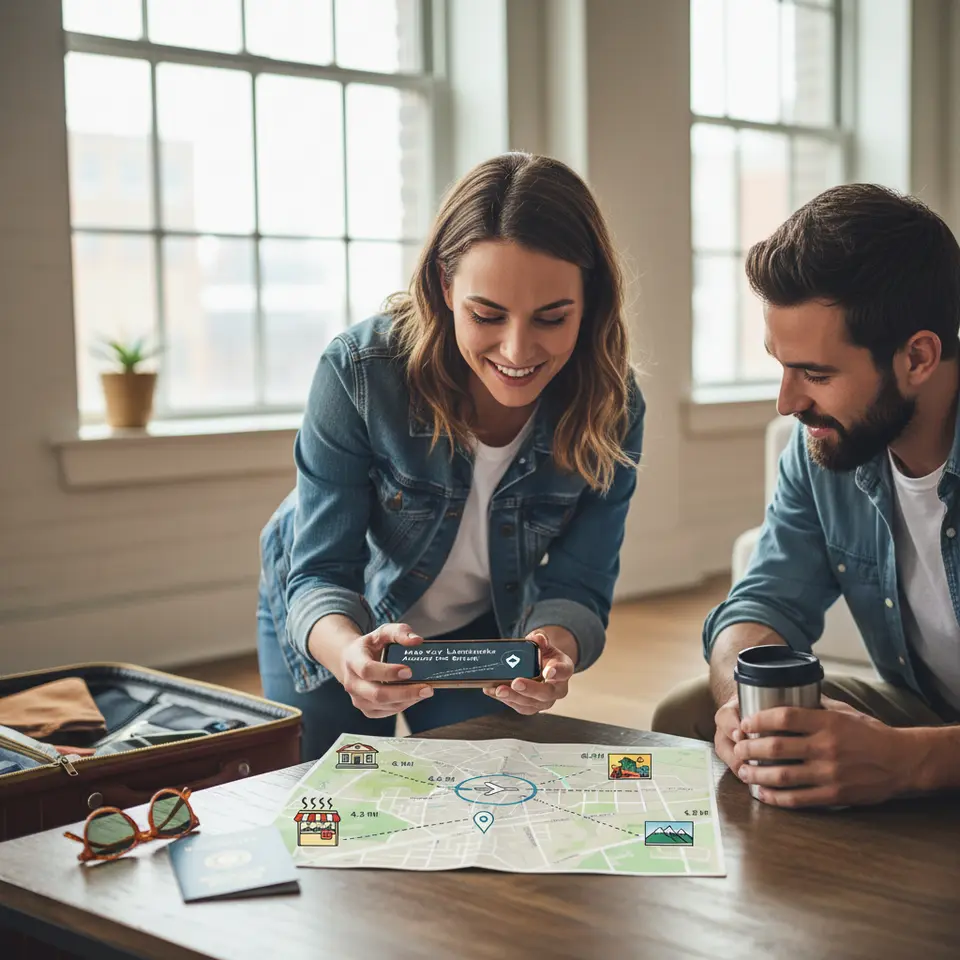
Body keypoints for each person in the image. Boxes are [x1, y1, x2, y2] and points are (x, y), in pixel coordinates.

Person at [258, 153, 645, 760]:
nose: (518, 350)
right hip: (338, 620)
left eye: (552, 317)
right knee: (332, 803)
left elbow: (580, 582)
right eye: (486, 314)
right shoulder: (358, 373)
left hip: (479, 631)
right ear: (445, 286)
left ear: (589, 300)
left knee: (491, 791)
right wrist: (348, 658)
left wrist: (552, 646)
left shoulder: (612, 405)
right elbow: (319, 572)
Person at [652, 183, 960, 808]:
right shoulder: (825, 451)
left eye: (817, 374)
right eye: (781, 365)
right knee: (688, 713)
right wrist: (743, 700)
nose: (787, 402)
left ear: (919, 357)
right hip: (929, 708)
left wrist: (911, 762)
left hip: (934, 740)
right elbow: (763, 602)